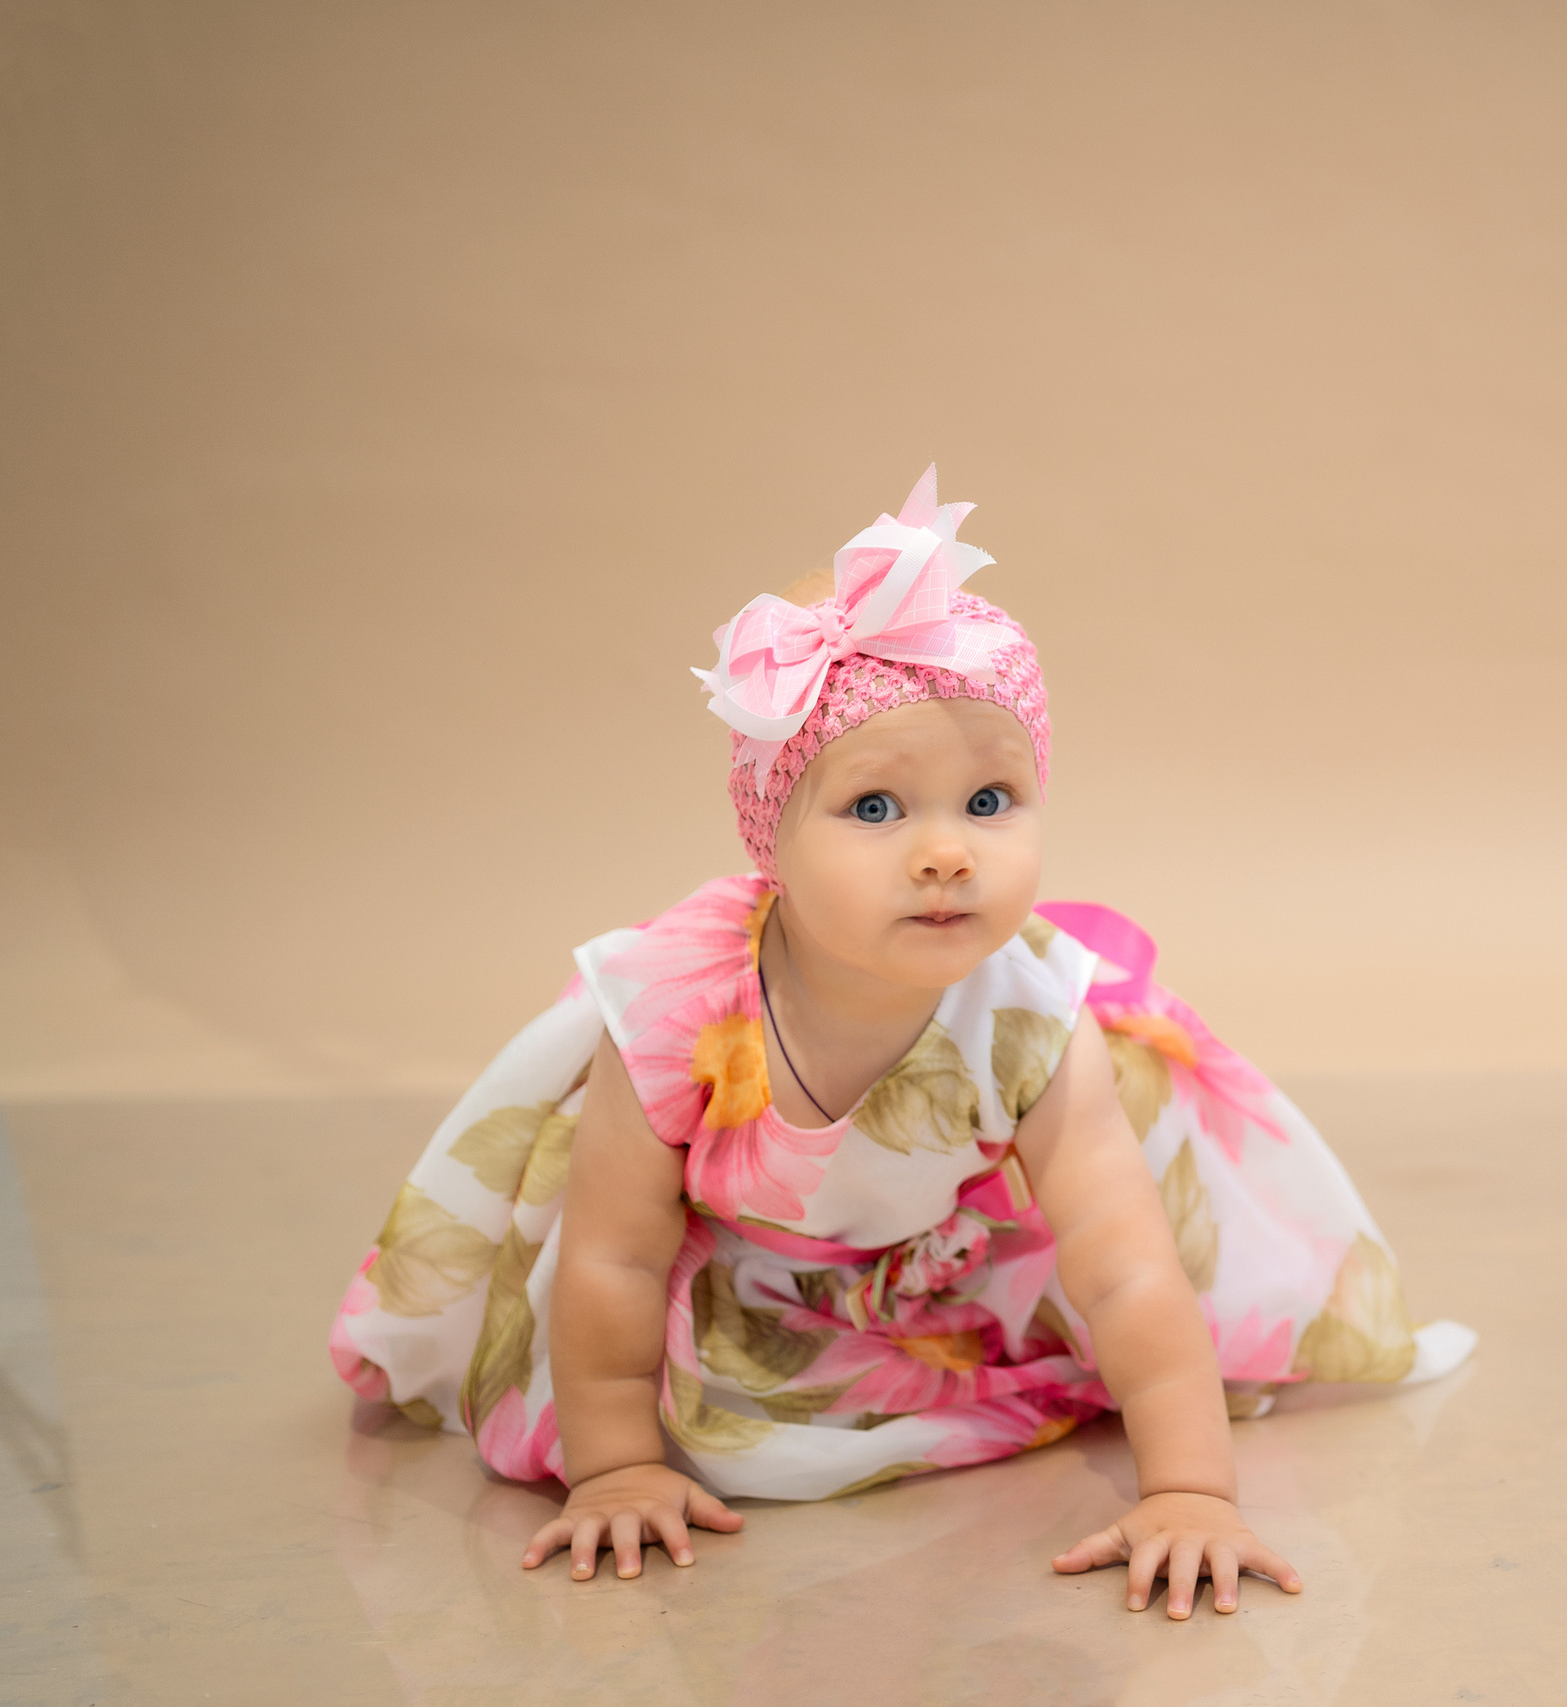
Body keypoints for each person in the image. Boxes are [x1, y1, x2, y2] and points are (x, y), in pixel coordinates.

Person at [329, 468, 1472, 1619]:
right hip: (730, 1269)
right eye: (875, 810)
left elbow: (1122, 1260)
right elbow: (615, 1256)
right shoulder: (680, 1010)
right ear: (769, 833)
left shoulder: (1024, 1009)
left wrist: (1189, 1490)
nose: (944, 854)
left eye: (989, 801)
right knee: (700, 1426)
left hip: (934, 1258)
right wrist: (617, 1463)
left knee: (1127, 1265)